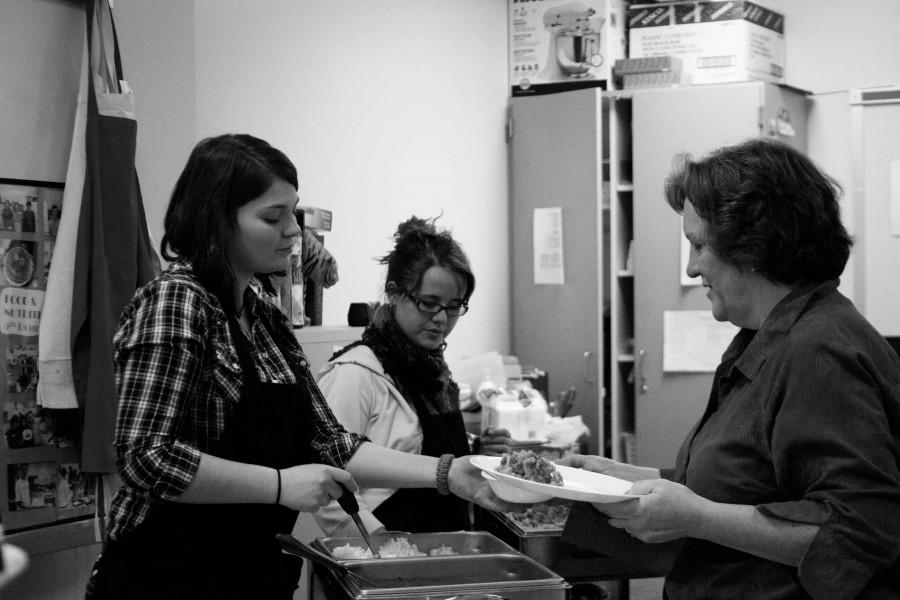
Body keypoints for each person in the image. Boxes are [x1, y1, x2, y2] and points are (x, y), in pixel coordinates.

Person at [84, 134, 516, 600]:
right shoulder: (176, 302)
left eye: (293, 212)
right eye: (273, 217)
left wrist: (447, 474)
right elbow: (146, 455)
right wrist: (279, 484)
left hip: (247, 573)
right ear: (216, 221)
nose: (295, 231)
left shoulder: (264, 312)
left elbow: (330, 441)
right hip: (164, 575)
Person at [561, 138, 900, 599]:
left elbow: (858, 534)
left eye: (699, 245)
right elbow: (745, 483)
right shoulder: (765, 337)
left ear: (754, 247)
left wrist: (696, 517)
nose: (692, 267)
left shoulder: (819, 352)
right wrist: (624, 478)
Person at [314, 216, 512, 537]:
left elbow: (414, 447)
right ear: (394, 294)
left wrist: (477, 452)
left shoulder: (435, 374)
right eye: (429, 304)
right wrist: (378, 544)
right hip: (383, 563)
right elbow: (327, 483)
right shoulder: (355, 373)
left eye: (453, 306)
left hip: (442, 552)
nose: (441, 319)